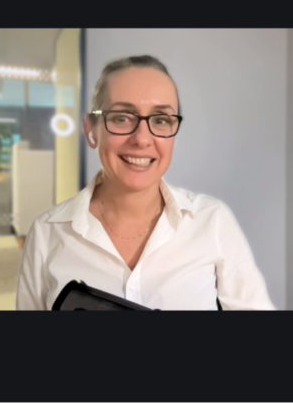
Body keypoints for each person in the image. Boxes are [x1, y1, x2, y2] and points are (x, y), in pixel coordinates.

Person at [17, 55, 274, 311]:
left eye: (160, 120)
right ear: (91, 129)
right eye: (121, 118)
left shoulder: (212, 220)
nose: (142, 139)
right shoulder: (46, 234)